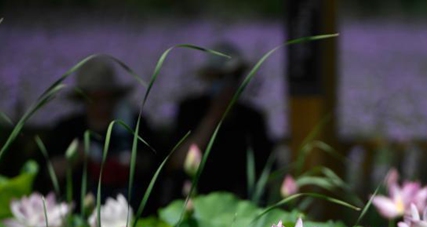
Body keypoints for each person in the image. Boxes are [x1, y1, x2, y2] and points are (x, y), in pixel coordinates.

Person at [39, 56, 158, 211]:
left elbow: (156, 162)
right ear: (83, 99)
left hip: (131, 210)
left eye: (107, 97)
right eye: (95, 98)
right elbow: (48, 173)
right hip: (80, 209)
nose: (102, 105)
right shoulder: (67, 129)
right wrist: (76, 157)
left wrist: (132, 162)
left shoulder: (136, 125)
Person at [167, 42, 273, 200]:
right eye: (221, 77)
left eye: (234, 76)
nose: (228, 83)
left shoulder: (252, 118)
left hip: (239, 202)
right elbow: (176, 162)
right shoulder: (189, 110)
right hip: (194, 198)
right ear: (210, 78)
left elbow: (265, 169)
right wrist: (213, 117)